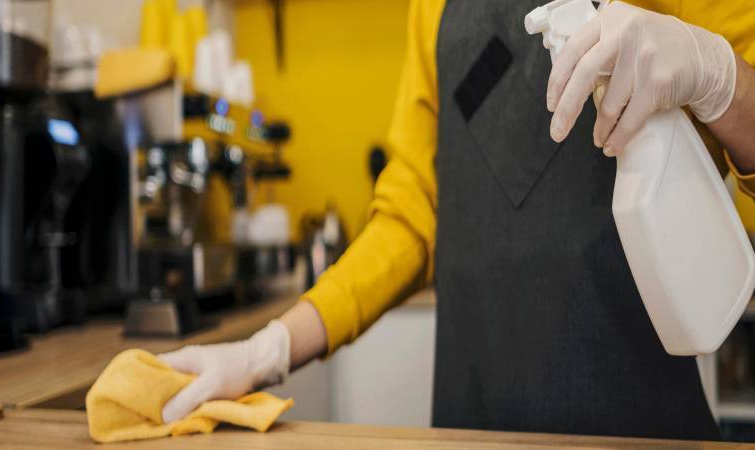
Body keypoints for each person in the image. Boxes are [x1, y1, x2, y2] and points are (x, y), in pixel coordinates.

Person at [158, 0, 755, 440]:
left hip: (638, 424)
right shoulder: (430, 8)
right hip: (470, 426)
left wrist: (718, 76)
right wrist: (269, 350)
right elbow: (411, 213)